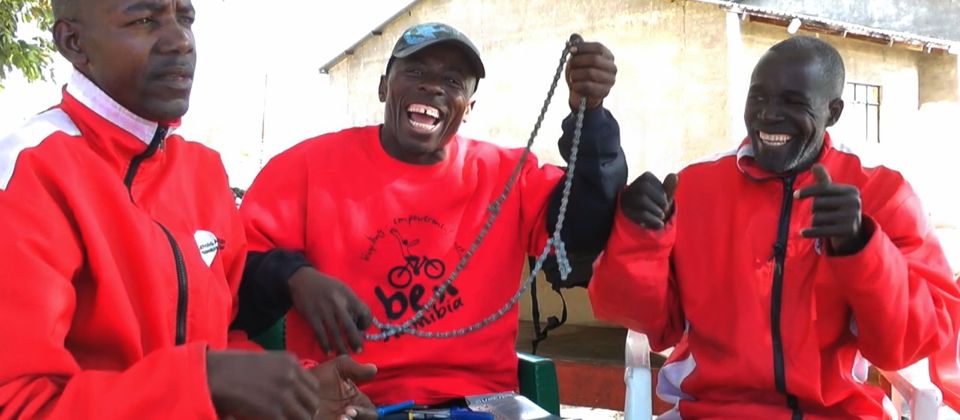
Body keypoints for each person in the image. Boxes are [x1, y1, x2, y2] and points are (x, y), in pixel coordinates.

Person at [0, 0, 376, 419]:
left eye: (186, 18)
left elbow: (221, 341)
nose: (181, 41)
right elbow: (18, 404)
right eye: (144, 19)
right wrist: (206, 383)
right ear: (74, 42)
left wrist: (297, 388)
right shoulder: (28, 172)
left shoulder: (203, 170)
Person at [235, 22, 626, 405]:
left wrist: (590, 117)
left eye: (453, 81)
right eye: (416, 71)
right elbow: (234, 270)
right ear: (384, 86)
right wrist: (294, 277)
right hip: (347, 398)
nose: (434, 86)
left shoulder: (506, 174)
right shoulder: (306, 167)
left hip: (483, 403)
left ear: (468, 107)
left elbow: (582, 228)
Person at [589, 35, 960, 418]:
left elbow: (916, 340)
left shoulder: (882, 195)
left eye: (794, 102)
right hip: (712, 412)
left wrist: (861, 248)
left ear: (833, 111)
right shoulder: (694, 188)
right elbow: (639, 317)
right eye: (759, 98)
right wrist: (637, 237)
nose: (768, 115)